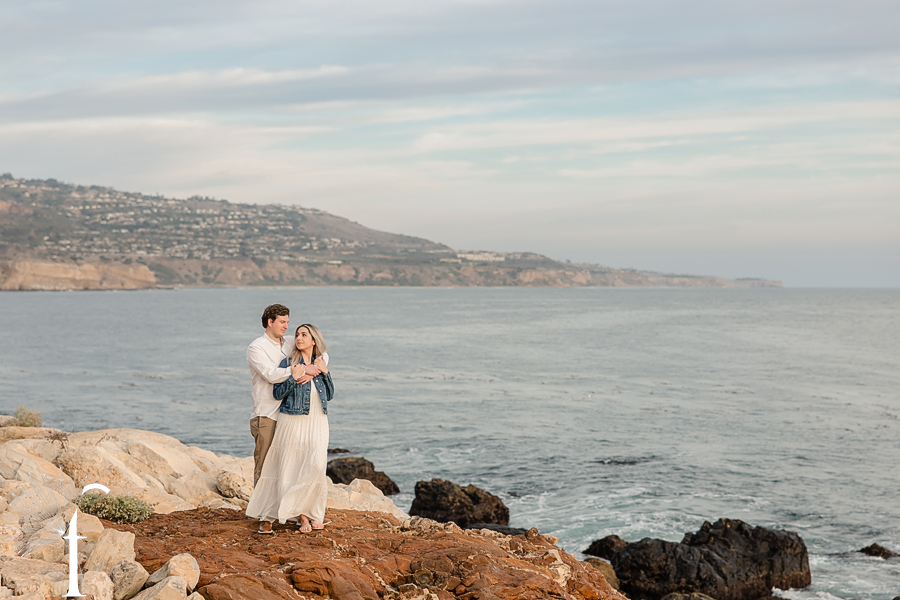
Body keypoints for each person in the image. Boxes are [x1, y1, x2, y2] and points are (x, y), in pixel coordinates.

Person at [246, 323, 334, 534]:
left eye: (304, 334)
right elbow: (278, 393)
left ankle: (314, 511)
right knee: (293, 467)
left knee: (316, 465)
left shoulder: (321, 362)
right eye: (297, 334)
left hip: (318, 420)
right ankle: (302, 517)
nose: (298, 338)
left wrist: (324, 372)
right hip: (293, 420)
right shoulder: (289, 362)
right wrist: (295, 377)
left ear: (314, 340)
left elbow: (329, 394)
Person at [246, 304, 321, 486]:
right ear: (269, 322)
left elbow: (321, 350)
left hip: (289, 414)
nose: (287, 326)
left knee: (287, 465)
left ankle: (282, 508)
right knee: (264, 465)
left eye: (287, 321)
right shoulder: (256, 348)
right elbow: (271, 374)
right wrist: (301, 371)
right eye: (282, 322)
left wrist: (316, 368)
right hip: (266, 414)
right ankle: (260, 512)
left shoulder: (289, 342)